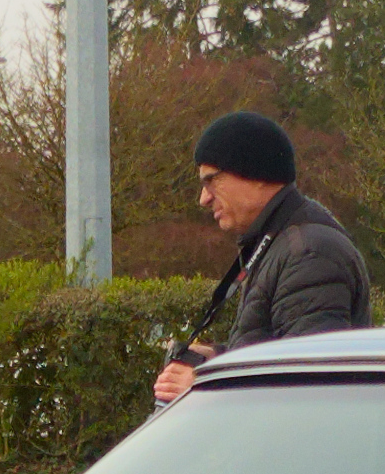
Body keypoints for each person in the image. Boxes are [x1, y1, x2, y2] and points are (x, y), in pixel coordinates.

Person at [151, 111, 369, 406]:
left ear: (253, 173)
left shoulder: (308, 252)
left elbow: (308, 384)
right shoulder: (283, 241)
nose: (204, 198)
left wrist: (204, 385)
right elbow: (277, 352)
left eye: (211, 180)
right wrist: (218, 359)